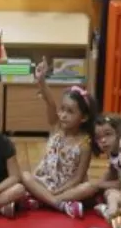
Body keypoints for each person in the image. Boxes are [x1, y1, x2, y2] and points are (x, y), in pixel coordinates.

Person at [18, 61, 96, 219]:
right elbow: (50, 103)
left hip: (67, 188)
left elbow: (78, 178)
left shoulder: (84, 143)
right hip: (44, 182)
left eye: (70, 112)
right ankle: (58, 204)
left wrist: (58, 192)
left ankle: (44, 200)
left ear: (84, 117)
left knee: (89, 187)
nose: (64, 115)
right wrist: (41, 81)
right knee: (24, 176)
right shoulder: (57, 128)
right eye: (63, 109)